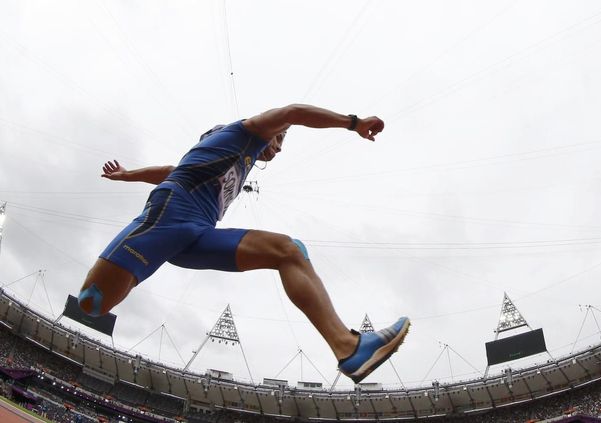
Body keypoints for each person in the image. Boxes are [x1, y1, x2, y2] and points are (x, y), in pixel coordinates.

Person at [78, 104, 410, 383]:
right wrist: (352, 123)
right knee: (92, 303)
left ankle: (348, 348)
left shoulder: (240, 160)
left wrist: (127, 174)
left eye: (282, 142)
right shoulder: (241, 133)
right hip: (168, 219)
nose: (278, 146)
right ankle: (130, 267)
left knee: (289, 250)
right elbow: (293, 111)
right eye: (279, 136)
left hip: (200, 235)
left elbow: (168, 169)